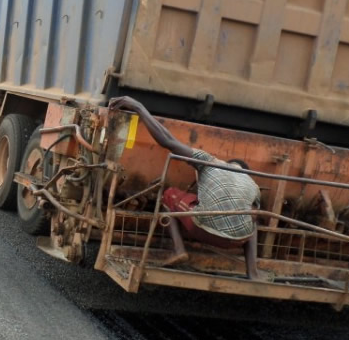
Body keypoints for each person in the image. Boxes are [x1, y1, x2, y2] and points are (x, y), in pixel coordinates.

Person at [109, 96, 261, 275]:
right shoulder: (252, 184)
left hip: (205, 231)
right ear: (244, 172)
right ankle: (252, 271)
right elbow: (253, 213)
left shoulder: (211, 162)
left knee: (169, 195)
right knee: (253, 218)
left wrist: (139, 107)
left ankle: (179, 250)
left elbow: (168, 141)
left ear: (229, 163)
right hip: (238, 241)